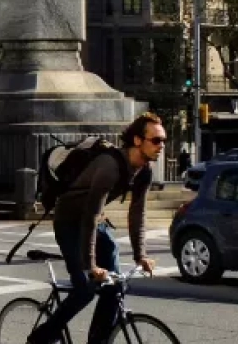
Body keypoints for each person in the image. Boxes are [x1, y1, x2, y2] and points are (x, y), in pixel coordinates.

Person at [27, 113, 162, 344]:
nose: (161, 146)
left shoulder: (145, 172)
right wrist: (91, 266)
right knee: (85, 289)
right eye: (156, 140)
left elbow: (137, 213)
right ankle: (42, 337)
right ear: (138, 140)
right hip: (69, 223)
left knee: (116, 286)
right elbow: (89, 215)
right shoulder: (109, 166)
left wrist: (141, 255)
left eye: (163, 140)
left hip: (93, 224)